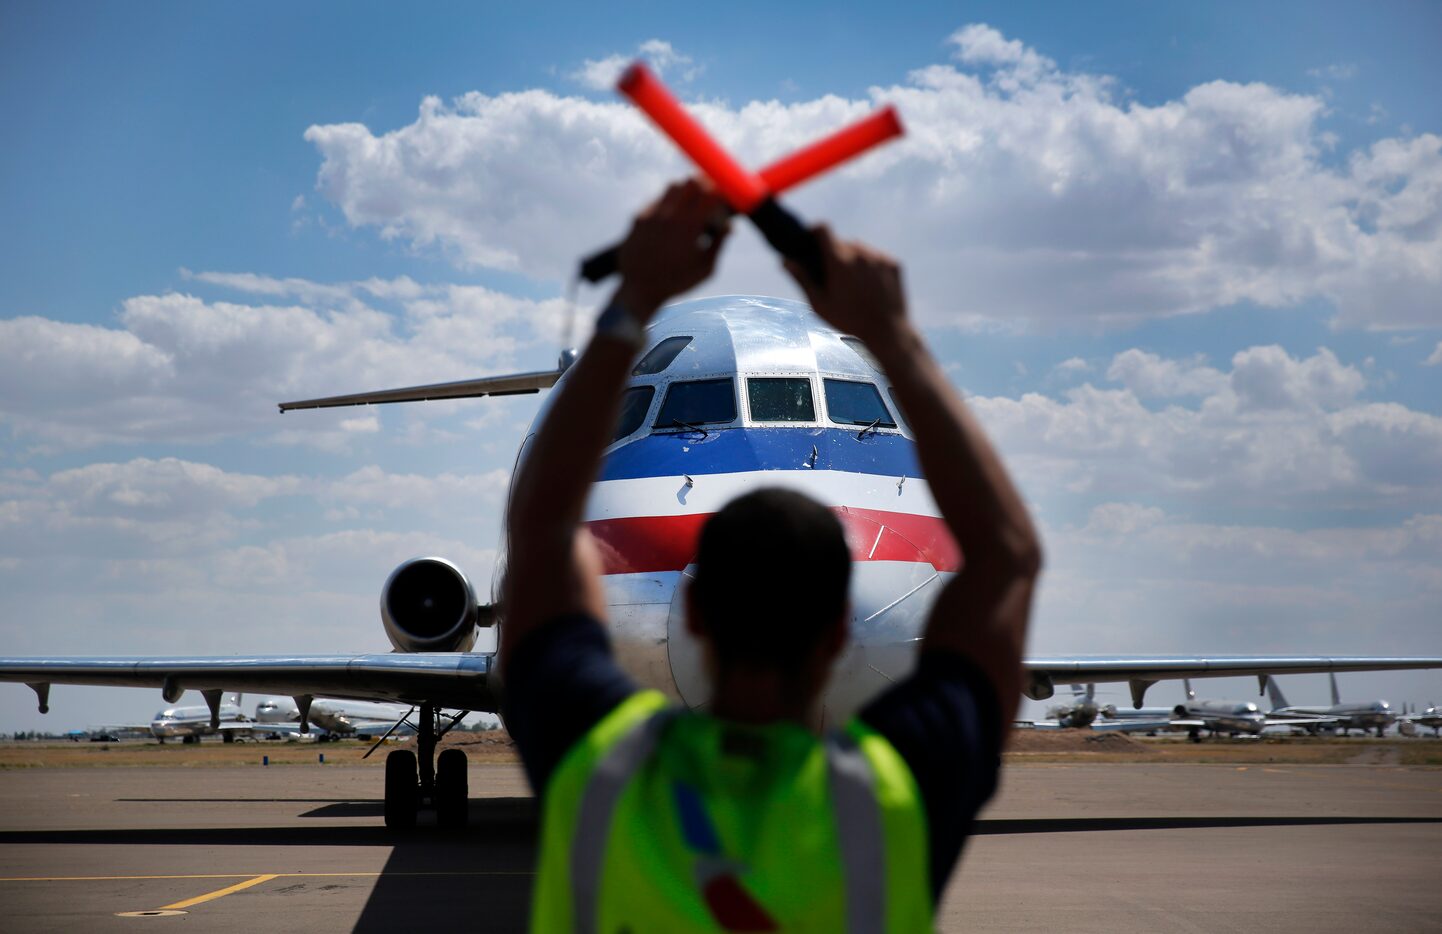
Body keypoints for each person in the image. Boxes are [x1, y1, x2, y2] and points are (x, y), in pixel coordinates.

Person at [501, 179, 1042, 932]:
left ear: (695, 611)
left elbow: (540, 536)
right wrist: (895, 339)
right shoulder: (896, 801)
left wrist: (632, 303)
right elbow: (1009, 559)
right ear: (837, 632)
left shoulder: (597, 779)